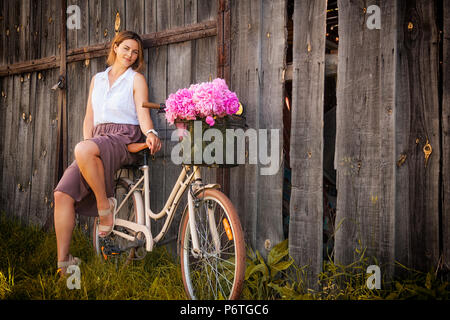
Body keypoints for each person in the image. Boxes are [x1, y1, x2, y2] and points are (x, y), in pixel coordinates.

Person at [53, 30, 162, 275]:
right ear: (115, 47)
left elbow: (143, 114)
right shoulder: (97, 79)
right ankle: (64, 263)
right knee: (61, 194)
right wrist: (88, 145)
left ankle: (105, 209)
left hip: (124, 137)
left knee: (83, 148)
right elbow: (89, 116)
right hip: (97, 140)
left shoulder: (136, 79)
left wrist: (152, 132)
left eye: (135, 52)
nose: (130, 55)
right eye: (126, 49)